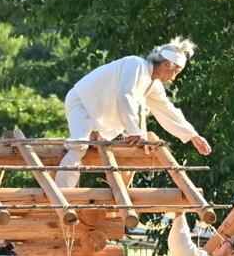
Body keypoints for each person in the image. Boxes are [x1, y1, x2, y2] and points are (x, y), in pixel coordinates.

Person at [56, 40, 211, 189]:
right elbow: (125, 95)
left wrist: (192, 135)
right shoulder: (136, 64)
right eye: (175, 71)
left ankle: (101, 137)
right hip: (82, 102)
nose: (174, 77)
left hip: (100, 119)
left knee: (105, 147)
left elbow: (167, 110)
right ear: (165, 64)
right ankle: (61, 195)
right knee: (79, 147)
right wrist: (134, 132)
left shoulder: (153, 85)